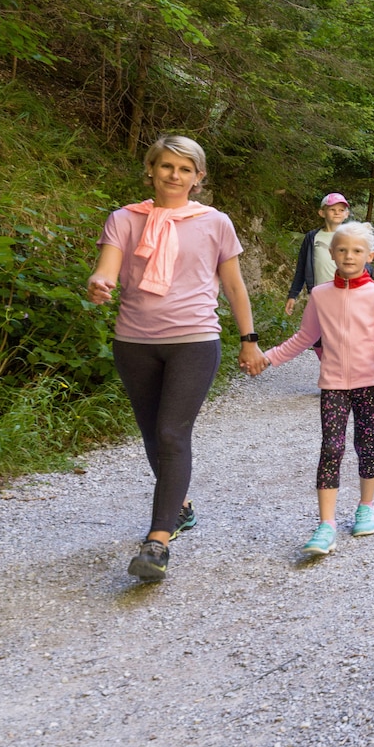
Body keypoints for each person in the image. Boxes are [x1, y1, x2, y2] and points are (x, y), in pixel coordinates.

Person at [87, 135, 265, 583]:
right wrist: (100, 283)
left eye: (185, 169)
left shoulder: (215, 222)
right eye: (166, 166)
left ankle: (157, 542)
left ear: (199, 178)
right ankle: (180, 507)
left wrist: (249, 339)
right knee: (152, 434)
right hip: (134, 341)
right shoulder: (125, 219)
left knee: (171, 430)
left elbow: (235, 286)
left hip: (194, 339)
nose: (174, 175)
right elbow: (107, 268)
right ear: (151, 169)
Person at [250, 221, 374, 556]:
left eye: (357, 251)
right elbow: (305, 338)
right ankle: (326, 525)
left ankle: (366, 506)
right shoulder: (320, 295)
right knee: (331, 448)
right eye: (342, 249)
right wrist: (269, 358)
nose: (349, 256)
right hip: (333, 383)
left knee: (366, 443)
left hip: (371, 383)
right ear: (332, 254)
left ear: (370, 256)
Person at [283, 192, 352, 317]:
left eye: (341, 210)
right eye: (332, 209)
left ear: (346, 214)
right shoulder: (312, 237)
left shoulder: (352, 237)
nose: (337, 212)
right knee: (320, 332)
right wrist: (293, 295)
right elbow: (302, 267)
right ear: (322, 213)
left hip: (348, 294)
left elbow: (364, 266)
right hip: (320, 296)